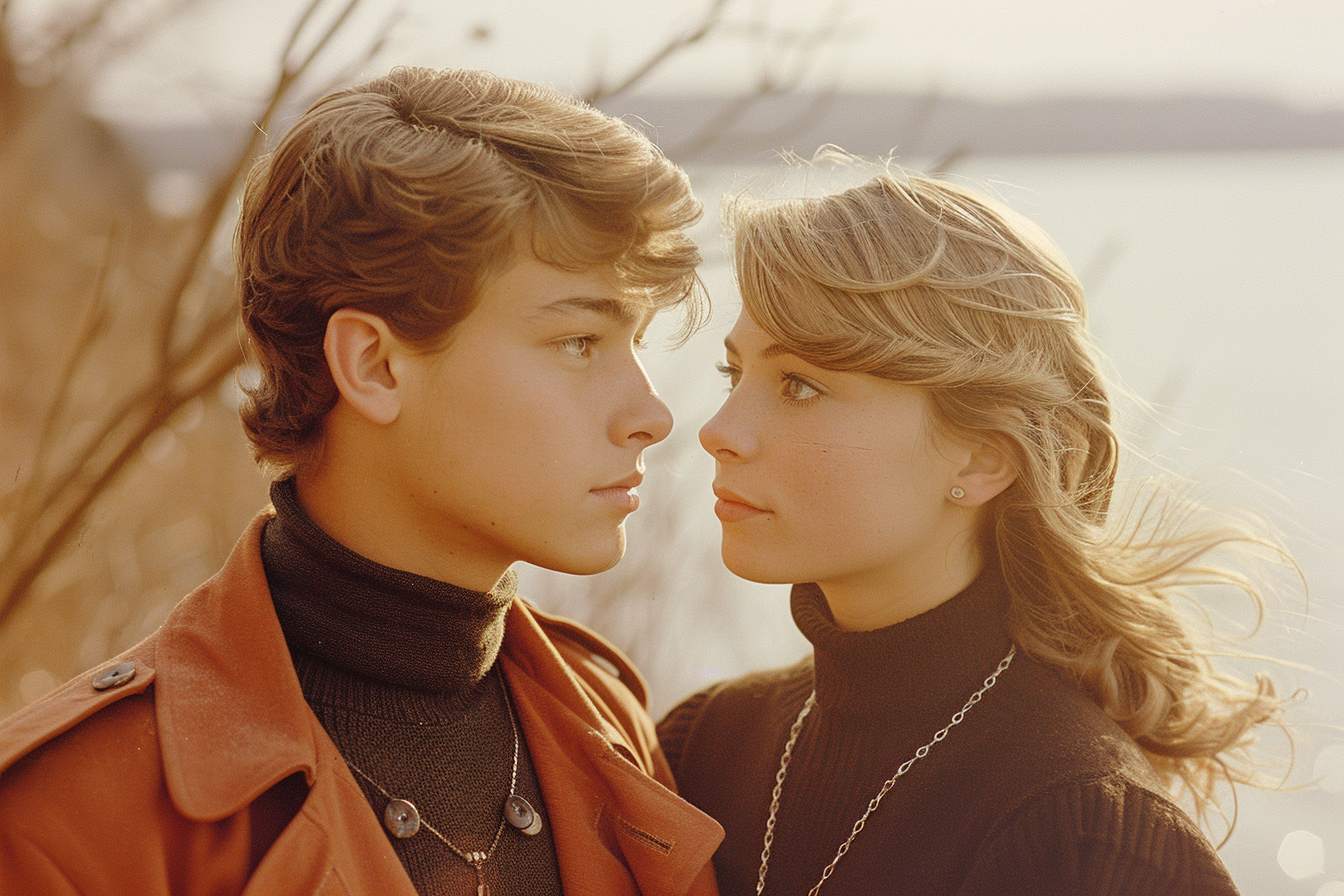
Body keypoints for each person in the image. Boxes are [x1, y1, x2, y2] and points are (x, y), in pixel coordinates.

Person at [0, 67, 723, 895]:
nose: (651, 415)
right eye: (578, 343)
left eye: (636, 342)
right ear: (375, 365)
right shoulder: (68, 817)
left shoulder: (605, 724)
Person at [658, 160, 1291, 895]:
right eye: (735, 376)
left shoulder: (1088, 839)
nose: (719, 431)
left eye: (800, 385)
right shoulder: (704, 744)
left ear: (986, 457)